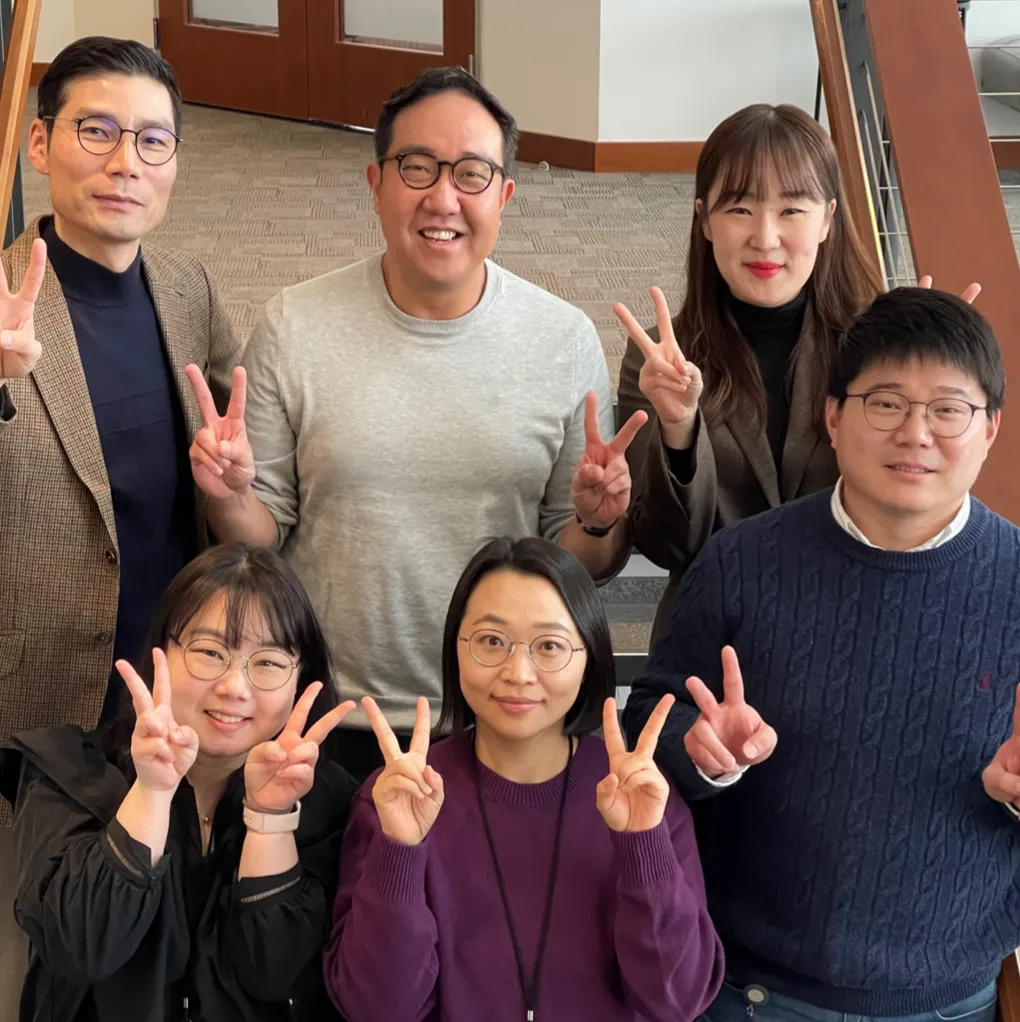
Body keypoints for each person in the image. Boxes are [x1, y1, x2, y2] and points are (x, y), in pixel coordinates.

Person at [184, 66, 645, 781]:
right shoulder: (294, 324)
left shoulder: (562, 339)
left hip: (499, 716)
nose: (442, 197)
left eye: (471, 173)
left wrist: (593, 522)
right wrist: (230, 492)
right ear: (375, 183)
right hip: (326, 711)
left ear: (505, 195)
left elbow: (576, 561)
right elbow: (262, 536)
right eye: (417, 167)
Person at [622, 287, 1018, 1022]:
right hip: (749, 992)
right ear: (833, 416)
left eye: (948, 410)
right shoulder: (741, 561)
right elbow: (648, 721)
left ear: (989, 428)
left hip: (949, 1000)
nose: (916, 434)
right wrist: (702, 752)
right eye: (887, 403)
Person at [0, 36, 241, 1015]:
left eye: (152, 140)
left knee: (158, 956)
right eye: (96, 131)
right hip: (37, 710)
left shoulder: (187, 292)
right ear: (38, 143)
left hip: (171, 713)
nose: (124, 162)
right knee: (38, 960)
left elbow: (225, 490)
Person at [324, 536, 724, 1022]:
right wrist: (400, 851)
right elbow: (377, 1009)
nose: (518, 673)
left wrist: (644, 844)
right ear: (456, 648)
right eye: (492, 641)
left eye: (550, 646)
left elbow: (676, 1001)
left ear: (588, 658)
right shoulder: (395, 799)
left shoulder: (644, 797)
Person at [1, 544, 358, 1021]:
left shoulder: (329, 800)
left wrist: (270, 818)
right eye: (211, 652)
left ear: (301, 678)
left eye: (269, 662)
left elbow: (275, 973)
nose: (235, 686)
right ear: (161, 653)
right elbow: (84, 948)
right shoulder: (67, 773)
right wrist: (152, 792)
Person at [615, 103, 883, 628]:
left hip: (853, 623)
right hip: (714, 635)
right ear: (705, 220)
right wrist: (678, 428)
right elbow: (668, 546)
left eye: (791, 210)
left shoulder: (876, 344)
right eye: (739, 209)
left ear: (827, 220)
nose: (765, 237)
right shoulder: (659, 356)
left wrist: (936, 382)